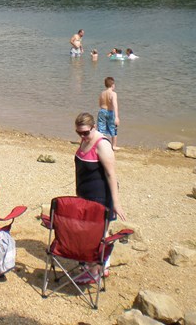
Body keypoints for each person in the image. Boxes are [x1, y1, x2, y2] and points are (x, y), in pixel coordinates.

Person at [72, 112, 126, 283]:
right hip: (85, 195)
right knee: (91, 232)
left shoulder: (102, 145)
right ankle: (102, 266)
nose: (82, 136)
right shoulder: (85, 139)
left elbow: (111, 175)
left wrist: (116, 203)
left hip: (101, 197)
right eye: (79, 133)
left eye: (86, 132)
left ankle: (95, 271)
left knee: (96, 234)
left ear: (94, 127)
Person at [97, 77, 119, 150]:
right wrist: (116, 117)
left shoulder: (102, 93)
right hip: (110, 112)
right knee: (113, 128)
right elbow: (115, 105)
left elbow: (100, 104)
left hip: (102, 111)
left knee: (101, 128)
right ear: (112, 85)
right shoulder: (113, 94)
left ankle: (100, 144)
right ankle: (114, 146)